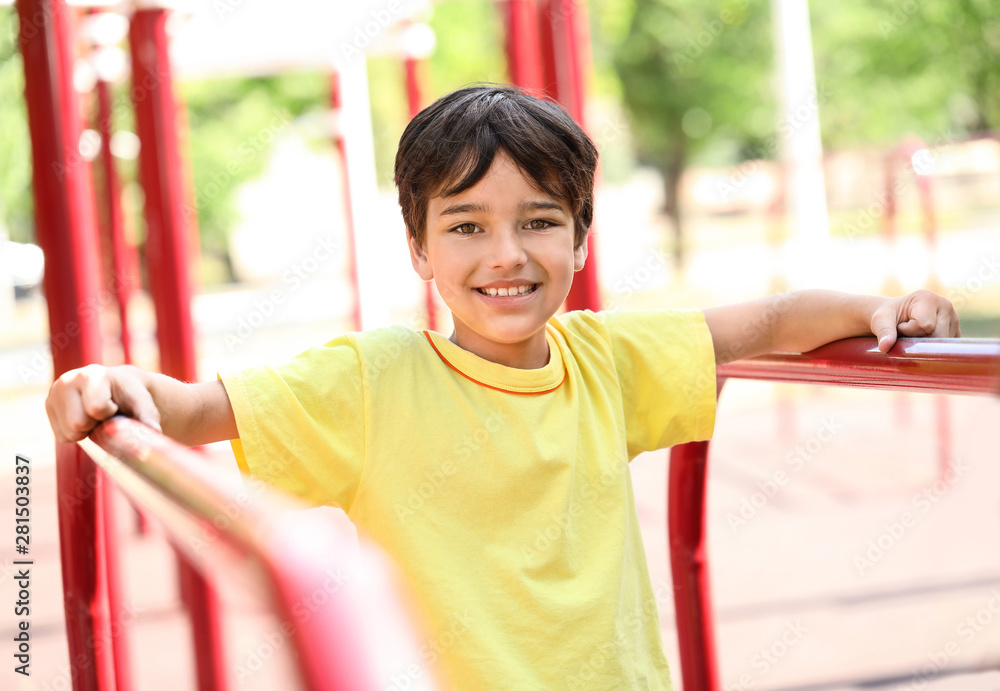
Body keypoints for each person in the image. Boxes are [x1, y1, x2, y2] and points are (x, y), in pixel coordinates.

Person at [46, 85, 960, 689]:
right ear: (419, 248)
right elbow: (194, 408)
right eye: (468, 226)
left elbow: (765, 322)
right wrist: (114, 388)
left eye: (539, 221)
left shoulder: (605, 360)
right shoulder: (372, 379)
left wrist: (880, 308)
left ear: (582, 239)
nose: (507, 256)